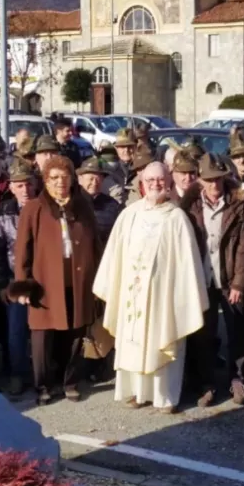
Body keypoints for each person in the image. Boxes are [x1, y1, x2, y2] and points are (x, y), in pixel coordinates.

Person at [93, 162, 208, 412]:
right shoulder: (130, 214)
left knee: (161, 339)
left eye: (160, 180)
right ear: (142, 184)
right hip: (131, 294)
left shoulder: (177, 218)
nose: (156, 184)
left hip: (162, 297)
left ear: (168, 182)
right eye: (150, 180)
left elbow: (187, 265)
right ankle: (136, 392)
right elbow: (115, 254)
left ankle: (164, 396)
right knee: (132, 340)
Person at [11, 155, 102, 405]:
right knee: (42, 339)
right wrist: (22, 283)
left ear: (73, 179)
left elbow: (95, 244)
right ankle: (43, 385)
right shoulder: (34, 208)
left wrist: (99, 280)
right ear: (45, 181)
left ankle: (69, 381)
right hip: (44, 285)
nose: (60, 182)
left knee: (74, 334)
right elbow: (22, 250)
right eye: (54, 178)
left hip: (78, 281)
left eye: (65, 177)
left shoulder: (83, 206)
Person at [180, 153, 244, 406]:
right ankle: (207, 383)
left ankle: (237, 379)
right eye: (209, 180)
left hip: (230, 278)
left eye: (218, 180)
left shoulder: (239, 205)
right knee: (203, 334)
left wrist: (239, 283)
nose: (214, 186)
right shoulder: (188, 207)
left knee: (237, 333)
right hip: (201, 279)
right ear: (200, 180)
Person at [0, 160, 38, 396]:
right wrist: (2, 283)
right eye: (19, 185)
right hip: (15, 281)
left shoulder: (46, 207)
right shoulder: (5, 211)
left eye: (28, 184)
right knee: (16, 331)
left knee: (43, 333)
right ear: (11, 187)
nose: (25, 190)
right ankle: (18, 375)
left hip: (42, 281)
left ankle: (43, 375)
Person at [77, 157, 121, 242]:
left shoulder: (112, 205)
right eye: (91, 179)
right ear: (80, 179)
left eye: (98, 179)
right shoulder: (71, 202)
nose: (94, 183)